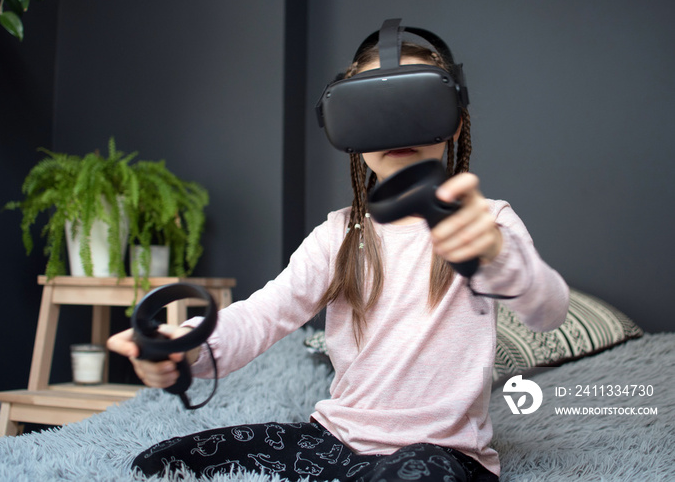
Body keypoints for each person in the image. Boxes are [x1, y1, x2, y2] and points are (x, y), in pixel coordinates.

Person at [108, 35, 569, 482]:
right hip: (335, 442)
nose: (395, 120)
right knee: (161, 461)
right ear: (348, 130)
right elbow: (262, 316)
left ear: (454, 121)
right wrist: (183, 349)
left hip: (439, 453)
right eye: (372, 107)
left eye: (415, 99)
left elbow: (549, 311)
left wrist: (494, 254)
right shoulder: (339, 234)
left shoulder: (487, 221)